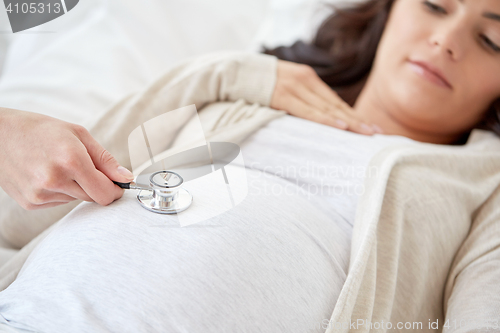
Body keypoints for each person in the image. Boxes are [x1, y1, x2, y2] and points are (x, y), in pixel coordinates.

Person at [0, 0, 500, 332]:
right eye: (435, 5)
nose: (446, 40)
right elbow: (24, 212)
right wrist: (223, 74)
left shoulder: (480, 182)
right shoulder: (242, 94)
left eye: (491, 40)